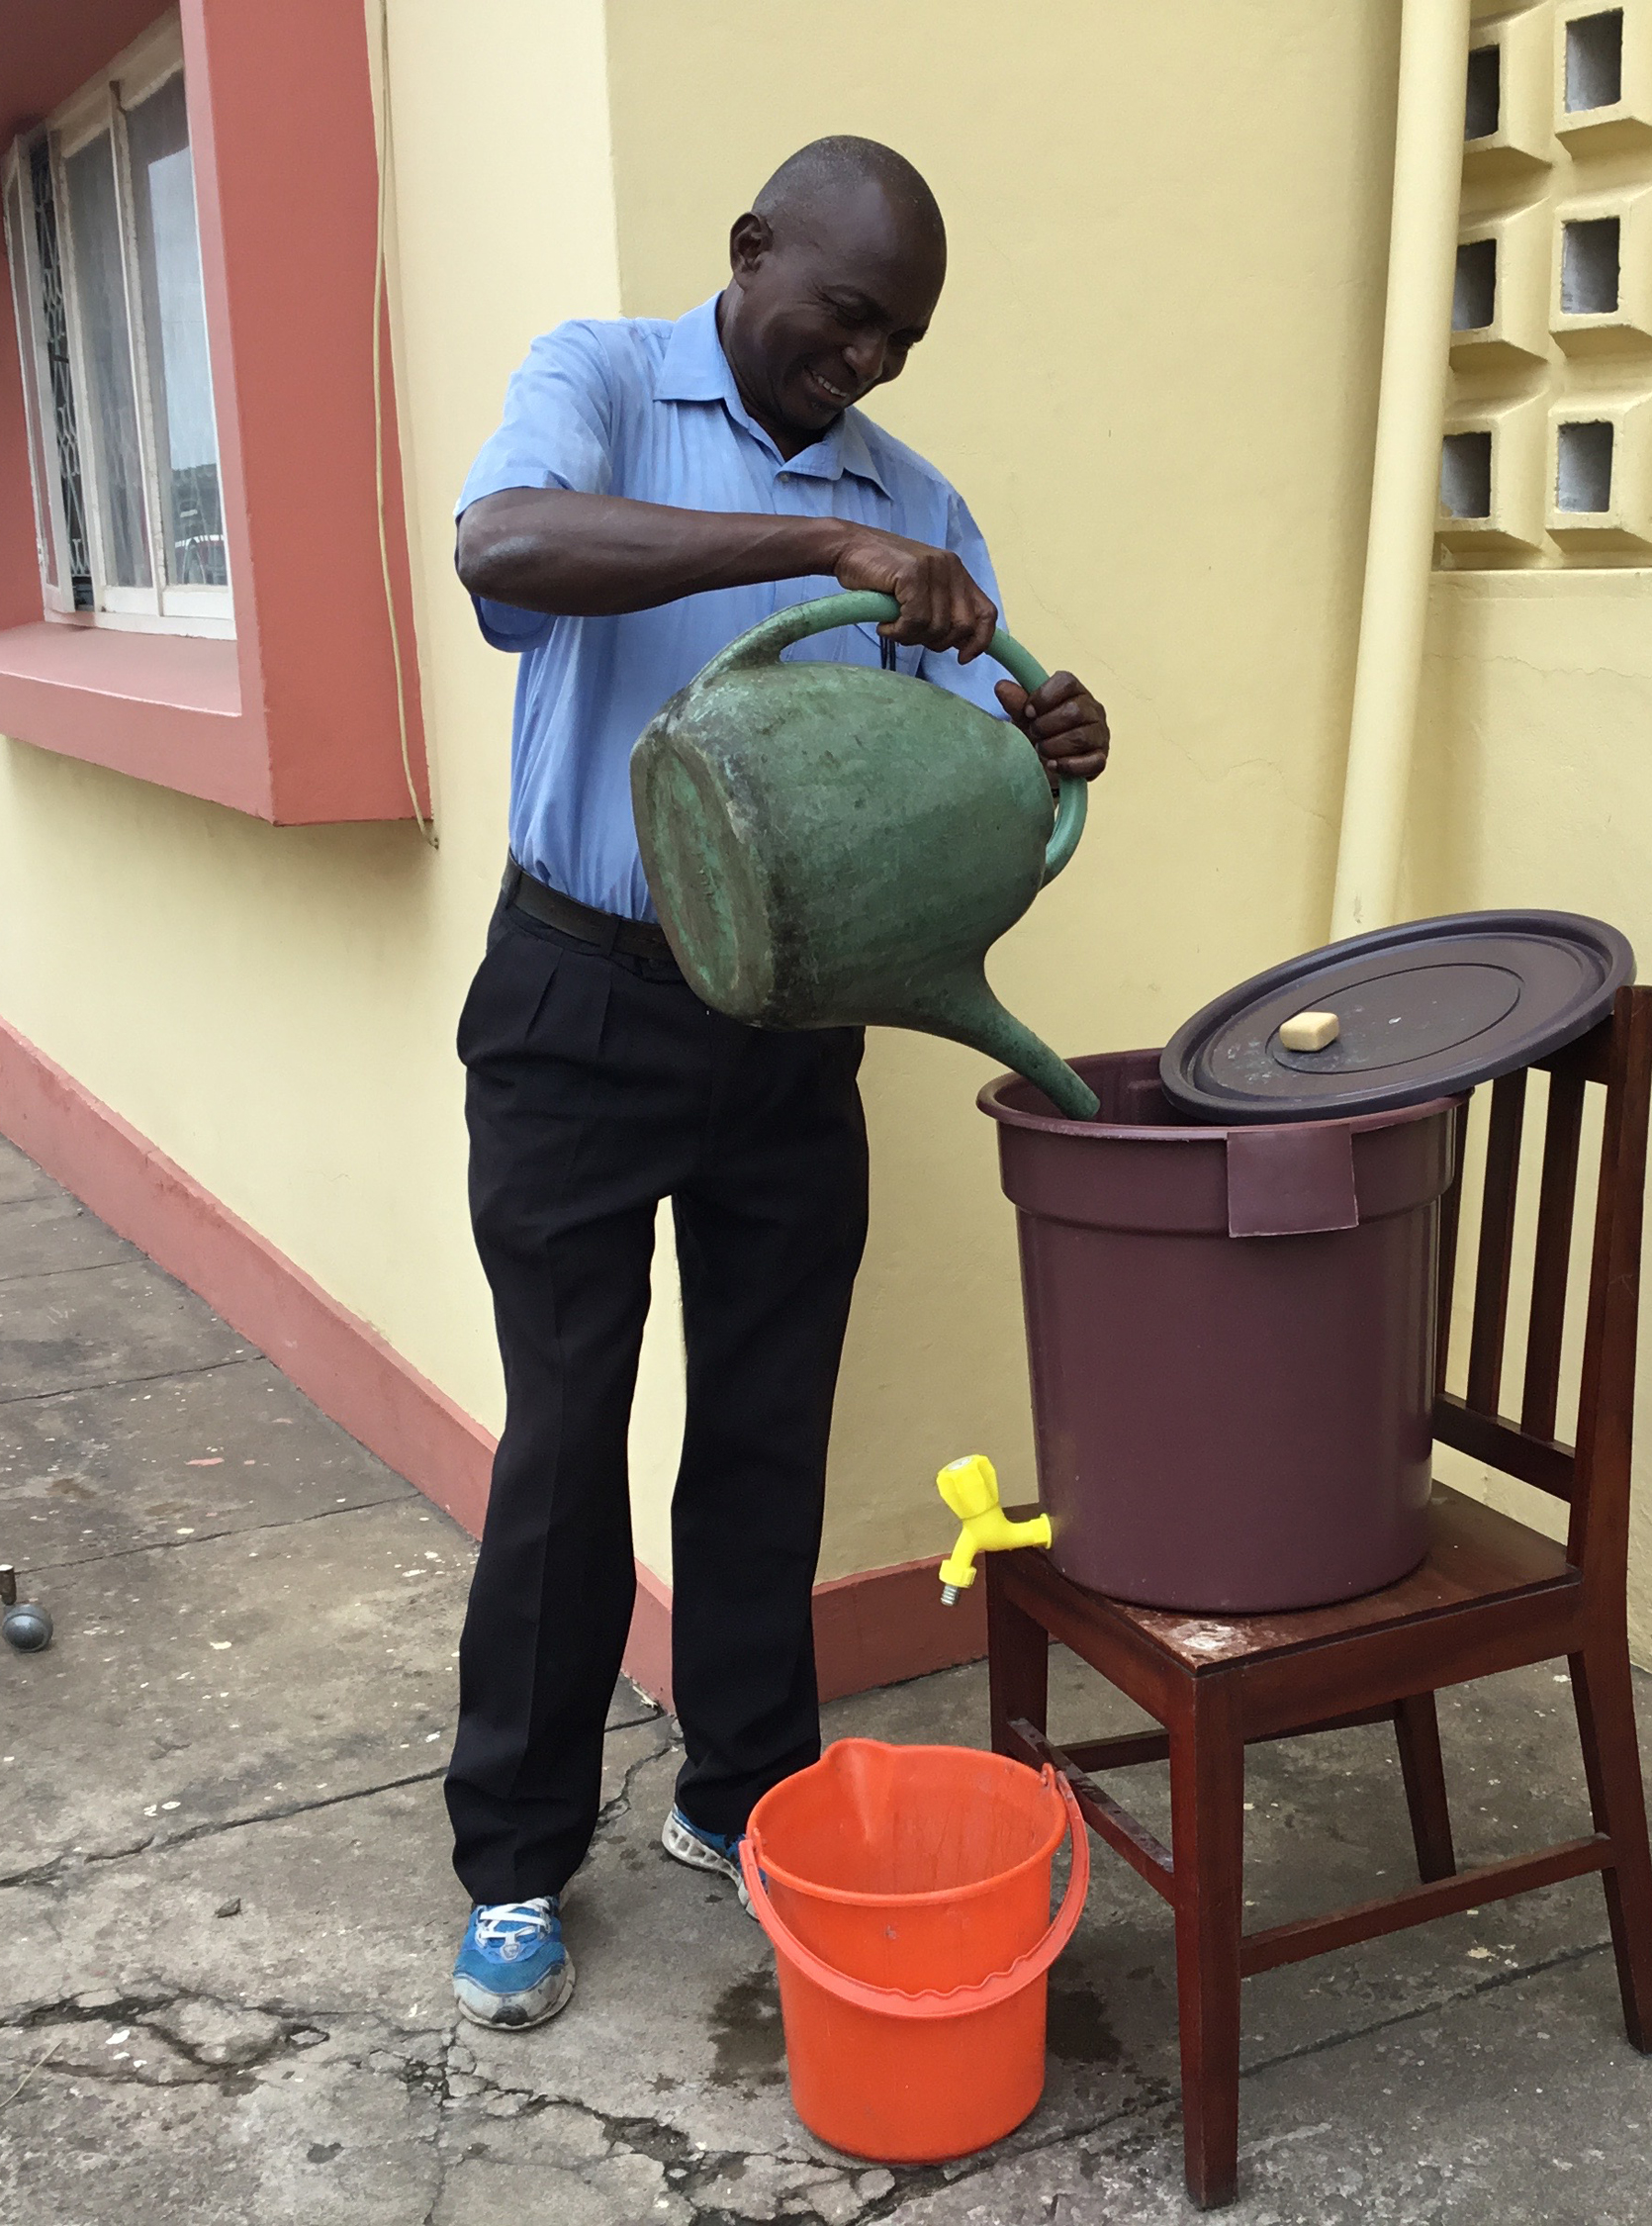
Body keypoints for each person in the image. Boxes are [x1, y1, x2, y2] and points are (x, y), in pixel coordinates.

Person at [440, 137, 1110, 2030]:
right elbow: (503, 548)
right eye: (847, 316)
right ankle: (515, 1857)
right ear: (751, 252)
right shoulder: (600, 383)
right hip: (581, 996)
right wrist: (815, 548)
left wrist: (1051, 743)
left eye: (900, 341)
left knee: (763, 1429)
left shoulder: (920, 506)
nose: (868, 364)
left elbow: (958, 788)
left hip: (797, 1025)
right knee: (565, 1439)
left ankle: (738, 1794)